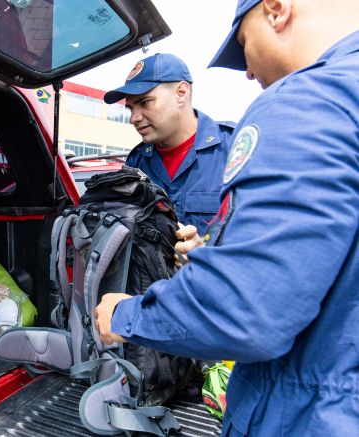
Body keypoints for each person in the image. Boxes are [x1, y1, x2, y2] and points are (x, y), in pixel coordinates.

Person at [93, 0, 359, 435]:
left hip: (298, 400)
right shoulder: (135, 164)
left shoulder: (302, 107)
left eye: (243, 44)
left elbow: (250, 306)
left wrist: (128, 316)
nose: (250, 72)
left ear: (275, 10)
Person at [103, 53, 236, 235]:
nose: (134, 118)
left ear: (181, 93)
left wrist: (204, 252)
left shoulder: (232, 148)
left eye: (145, 102)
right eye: (131, 108)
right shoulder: (137, 162)